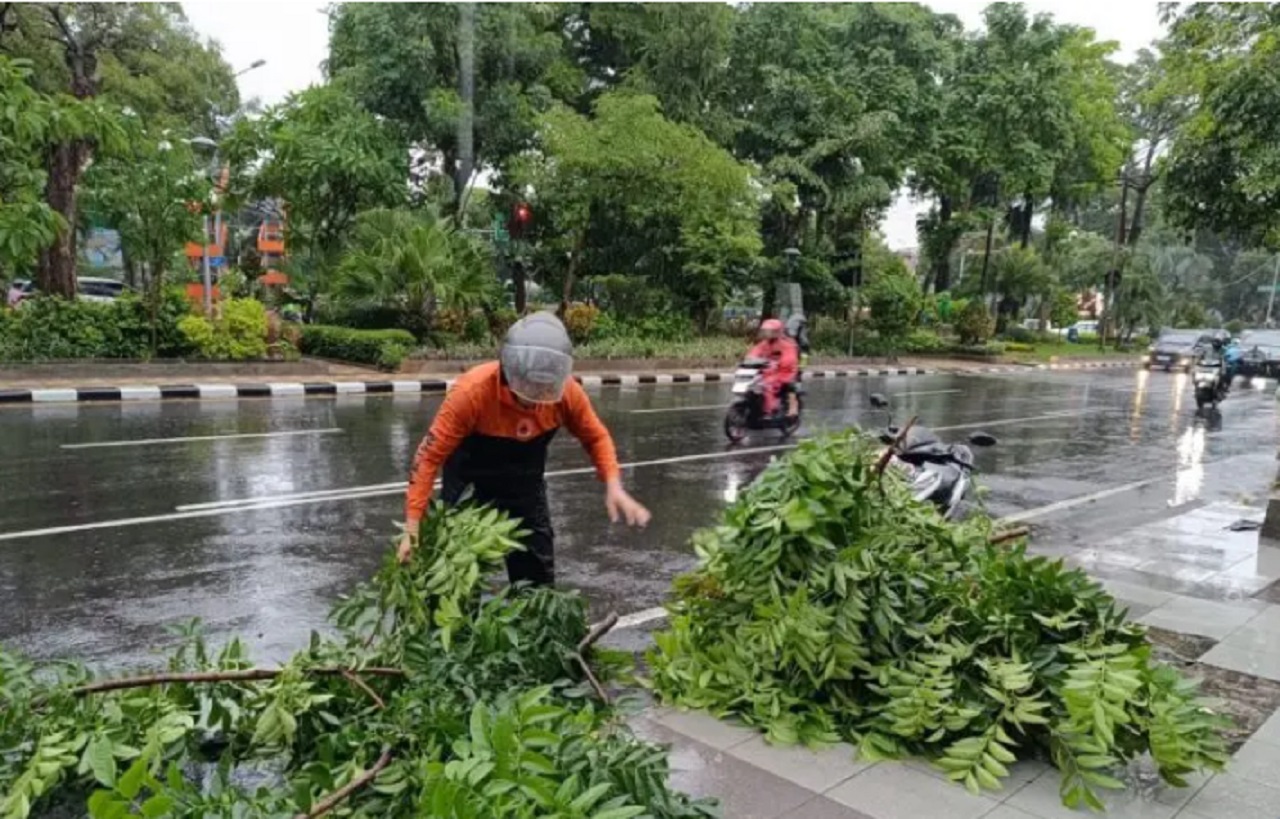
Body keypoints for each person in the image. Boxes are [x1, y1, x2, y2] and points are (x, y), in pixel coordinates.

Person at [398, 312, 650, 586]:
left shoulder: (566, 394)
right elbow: (428, 458)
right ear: (510, 370)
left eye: (545, 387)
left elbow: (596, 437)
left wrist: (614, 484)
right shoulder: (471, 393)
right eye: (529, 385)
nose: (536, 397)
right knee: (455, 580)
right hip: (469, 484)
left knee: (537, 579)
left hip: (524, 487)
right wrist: (413, 526)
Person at [746, 318, 800, 419]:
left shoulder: (786, 344)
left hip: (784, 372)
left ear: (777, 332)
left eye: (770, 331)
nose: (767, 333)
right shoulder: (764, 344)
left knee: (767, 385)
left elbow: (789, 359)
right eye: (766, 331)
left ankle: (769, 410)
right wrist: (750, 360)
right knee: (753, 384)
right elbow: (754, 353)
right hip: (768, 372)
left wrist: (778, 363)